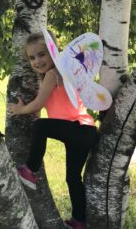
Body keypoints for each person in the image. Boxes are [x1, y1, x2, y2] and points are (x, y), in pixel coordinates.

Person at [8, 31, 98, 229]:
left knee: (41, 125)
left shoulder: (52, 74)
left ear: (52, 51)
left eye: (42, 54)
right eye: (32, 58)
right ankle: (80, 221)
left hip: (77, 128)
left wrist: (19, 109)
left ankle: (30, 170)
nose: (37, 61)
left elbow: (39, 104)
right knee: (72, 178)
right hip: (84, 131)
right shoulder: (61, 73)